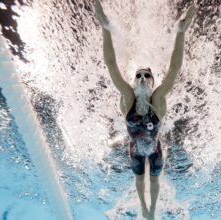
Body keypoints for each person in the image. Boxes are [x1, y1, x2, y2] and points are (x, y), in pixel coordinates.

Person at [95, 1, 195, 219]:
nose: (142, 78)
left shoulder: (158, 100)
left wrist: (181, 32)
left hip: (156, 148)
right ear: (133, 81)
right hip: (136, 151)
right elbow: (111, 65)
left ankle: (153, 209)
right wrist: (105, 28)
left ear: (152, 82)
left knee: (155, 179)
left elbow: (174, 70)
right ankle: (144, 208)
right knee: (141, 179)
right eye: (138, 75)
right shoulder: (128, 98)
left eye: (146, 75)